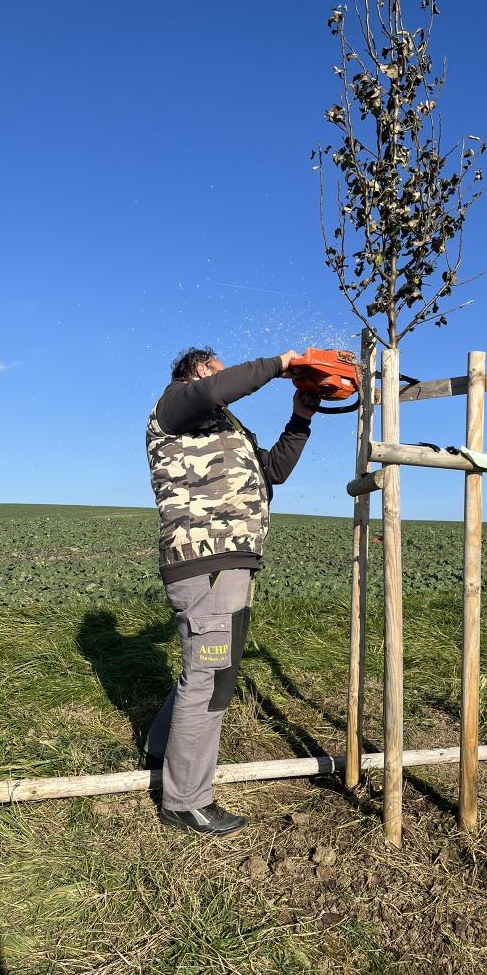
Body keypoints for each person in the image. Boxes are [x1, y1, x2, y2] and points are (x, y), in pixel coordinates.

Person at [142, 346, 315, 836]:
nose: (225, 376)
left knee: (211, 669)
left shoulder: (227, 428)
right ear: (201, 369)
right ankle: (185, 801)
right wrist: (282, 364)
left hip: (230, 562)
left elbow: (272, 472)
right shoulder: (175, 405)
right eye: (219, 368)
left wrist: (300, 418)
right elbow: (215, 390)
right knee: (210, 676)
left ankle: (160, 749)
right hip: (206, 561)